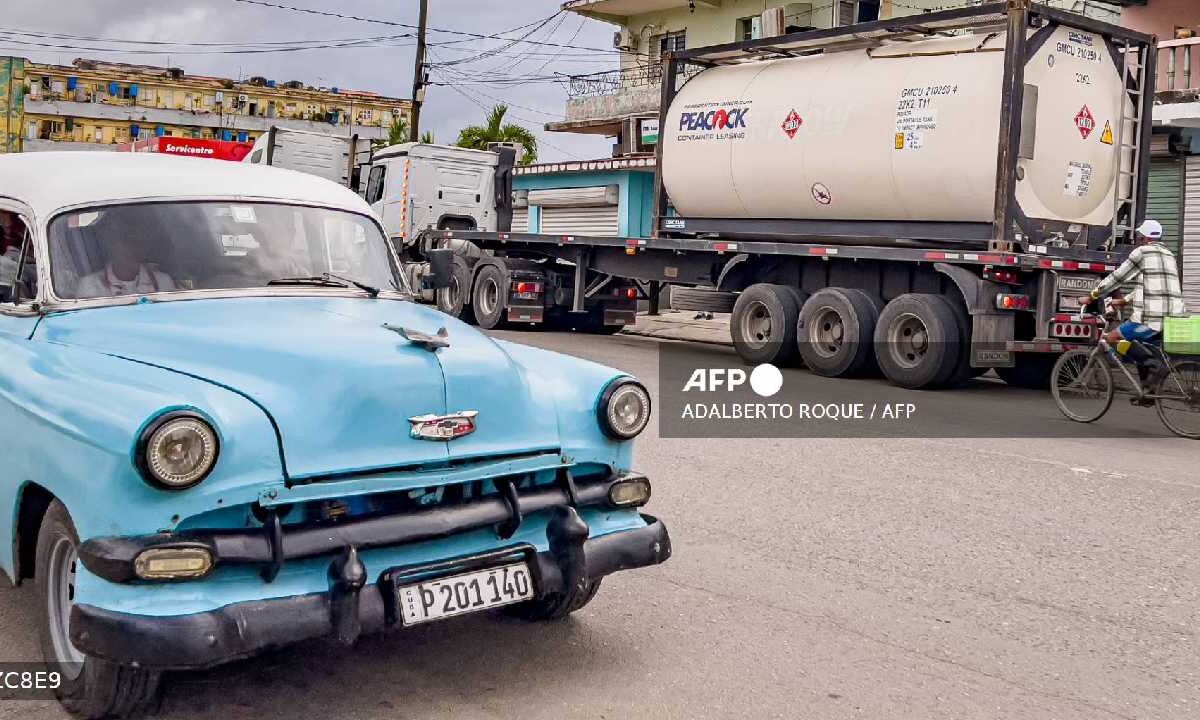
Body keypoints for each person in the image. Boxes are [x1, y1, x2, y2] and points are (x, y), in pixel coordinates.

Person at [1078, 219, 1187, 395]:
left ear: (1144, 238)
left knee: (1112, 338)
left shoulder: (1141, 252)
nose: (1137, 240)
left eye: (1138, 237)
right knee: (1140, 347)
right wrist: (1124, 301)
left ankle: (1154, 365)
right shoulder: (1168, 255)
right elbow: (1147, 285)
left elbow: (1117, 278)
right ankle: (1148, 391)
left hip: (1151, 318)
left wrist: (1092, 296)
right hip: (1173, 318)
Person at [76, 225, 177, 298]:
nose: (133, 248)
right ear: (112, 245)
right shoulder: (90, 285)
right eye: (126, 240)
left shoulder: (162, 282)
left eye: (138, 242)